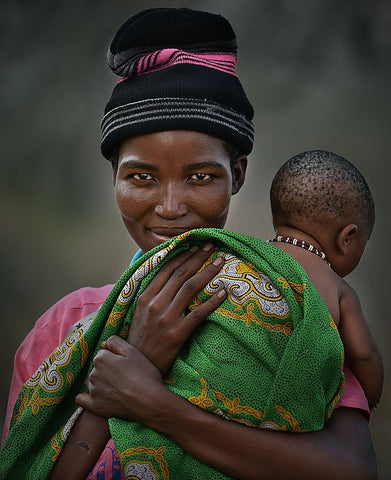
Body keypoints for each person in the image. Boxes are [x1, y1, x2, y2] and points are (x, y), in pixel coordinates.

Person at [1, 7, 377, 480]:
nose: (171, 207)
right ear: (114, 179)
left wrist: (160, 408)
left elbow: (352, 469)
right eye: (141, 177)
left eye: (200, 177)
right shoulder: (62, 329)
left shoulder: (289, 306)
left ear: (236, 176)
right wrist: (127, 367)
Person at [268, 149, 383, 410]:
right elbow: (364, 355)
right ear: (347, 239)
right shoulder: (336, 288)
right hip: (288, 414)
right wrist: (371, 396)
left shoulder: (248, 256)